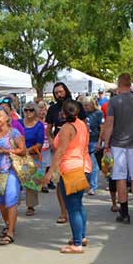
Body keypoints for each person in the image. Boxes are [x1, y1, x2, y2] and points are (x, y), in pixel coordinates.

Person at [43, 100, 92, 254]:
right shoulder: (82, 124)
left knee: (72, 208)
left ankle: (77, 243)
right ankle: (81, 236)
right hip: (84, 166)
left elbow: (60, 151)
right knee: (78, 205)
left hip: (71, 169)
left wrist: (49, 173)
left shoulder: (67, 128)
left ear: (63, 113)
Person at [102, 73, 133, 224]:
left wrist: (106, 144)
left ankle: (124, 212)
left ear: (119, 84)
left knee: (120, 177)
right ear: (131, 84)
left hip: (118, 144)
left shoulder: (114, 101)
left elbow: (109, 125)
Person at [46, 82, 86, 224]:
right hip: (58, 147)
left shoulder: (75, 106)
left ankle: (74, 213)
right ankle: (64, 212)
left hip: (74, 151)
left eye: (61, 92)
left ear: (66, 91)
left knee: (74, 185)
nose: (59, 95)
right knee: (59, 182)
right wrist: (51, 140)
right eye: (56, 92)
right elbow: (48, 127)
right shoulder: (52, 109)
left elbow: (83, 124)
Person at [0, 108, 27, 246]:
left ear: (7, 118)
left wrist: (5, 151)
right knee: (2, 202)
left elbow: (23, 150)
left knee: (11, 199)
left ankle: (10, 232)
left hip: (12, 170)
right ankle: (7, 225)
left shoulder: (14, 133)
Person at [21, 101, 45, 216]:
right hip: (19, 154)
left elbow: (39, 143)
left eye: (31, 110)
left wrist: (27, 150)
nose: (28, 112)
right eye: (26, 110)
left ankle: (30, 206)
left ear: (35, 112)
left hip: (33, 155)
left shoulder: (39, 125)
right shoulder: (19, 123)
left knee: (32, 183)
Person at [81, 96, 103, 195]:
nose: (85, 107)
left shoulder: (98, 113)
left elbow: (102, 129)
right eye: (84, 105)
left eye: (87, 105)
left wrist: (99, 142)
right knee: (86, 165)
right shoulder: (83, 114)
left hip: (95, 140)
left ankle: (93, 186)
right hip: (85, 142)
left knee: (94, 165)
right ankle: (88, 184)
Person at [36, 100, 52, 193]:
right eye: (40, 109)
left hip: (47, 145)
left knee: (46, 165)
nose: (42, 112)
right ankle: (38, 184)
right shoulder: (35, 121)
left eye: (44, 109)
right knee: (39, 165)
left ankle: (44, 184)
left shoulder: (48, 121)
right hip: (37, 146)